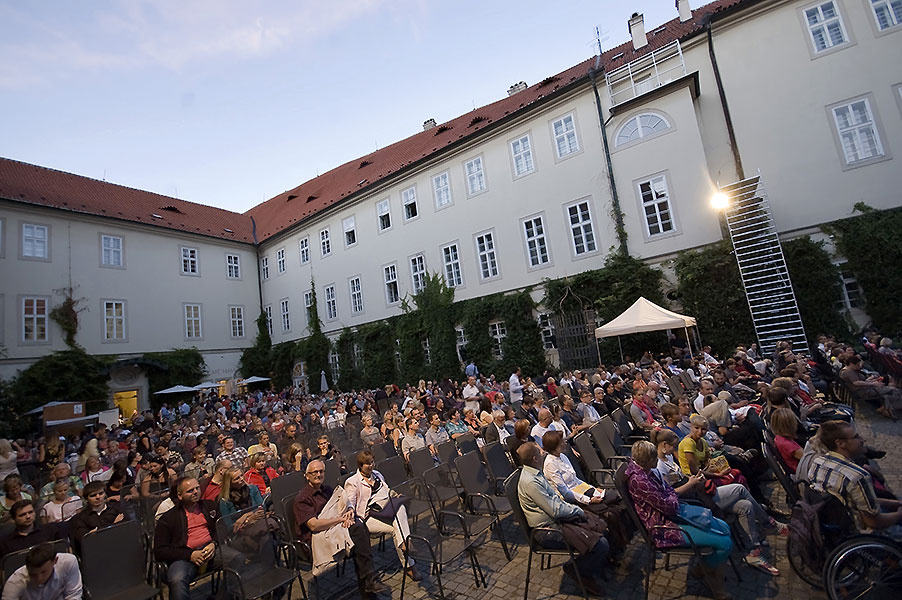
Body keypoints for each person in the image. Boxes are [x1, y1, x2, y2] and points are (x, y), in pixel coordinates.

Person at [625, 440, 732, 600]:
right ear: (647, 461)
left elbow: (668, 492)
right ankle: (713, 582)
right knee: (725, 543)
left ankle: (702, 569)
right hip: (664, 527)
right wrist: (674, 494)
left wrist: (671, 494)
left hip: (674, 514)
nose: (658, 461)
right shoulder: (640, 481)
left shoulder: (648, 471)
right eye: (655, 459)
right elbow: (668, 506)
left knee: (725, 527)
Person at [516, 442, 609, 597]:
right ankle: (577, 570)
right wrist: (578, 510)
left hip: (557, 520)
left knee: (600, 525)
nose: (543, 454)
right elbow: (555, 509)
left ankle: (595, 566)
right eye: (540, 453)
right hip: (546, 531)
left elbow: (556, 502)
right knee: (600, 544)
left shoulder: (534, 472)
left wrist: (576, 509)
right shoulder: (531, 481)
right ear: (534, 459)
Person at [293, 460, 389, 594]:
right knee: (358, 534)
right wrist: (340, 519)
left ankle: (369, 582)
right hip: (316, 540)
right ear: (307, 475)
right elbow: (314, 525)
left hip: (334, 529)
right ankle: (369, 583)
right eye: (314, 472)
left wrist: (349, 511)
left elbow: (341, 505)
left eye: (321, 471)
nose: (318, 474)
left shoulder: (326, 490)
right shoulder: (302, 498)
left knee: (358, 532)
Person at [807, 421, 902, 539]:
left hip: (832, 526)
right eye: (856, 437)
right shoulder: (858, 476)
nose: (862, 440)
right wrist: (899, 514)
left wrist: (896, 503)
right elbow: (874, 522)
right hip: (858, 533)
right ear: (841, 443)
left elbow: (858, 501)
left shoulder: (818, 463)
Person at [154, 477, 243, 600]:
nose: (196, 492)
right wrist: (190, 554)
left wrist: (214, 543)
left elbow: (221, 529)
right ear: (179, 496)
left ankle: (223, 597)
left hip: (210, 550)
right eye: (190, 491)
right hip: (184, 556)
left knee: (237, 558)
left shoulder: (210, 506)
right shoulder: (168, 518)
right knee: (177, 579)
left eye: (197, 488)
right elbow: (160, 551)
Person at [344, 450, 421, 581]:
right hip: (368, 516)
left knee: (400, 507)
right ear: (360, 465)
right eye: (367, 464)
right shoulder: (353, 481)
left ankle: (405, 548)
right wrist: (350, 508)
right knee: (397, 529)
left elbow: (387, 490)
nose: (371, 466)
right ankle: (409, 564)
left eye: (372, 462)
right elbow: (350, 500)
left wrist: (395, 494)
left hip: (385, 510)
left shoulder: (377, 475)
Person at [1, 542, 81, 600]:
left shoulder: (68, 562)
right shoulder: (15, 582)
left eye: (43, 572)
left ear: (55, 561)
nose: (39, 578)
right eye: (33, 574)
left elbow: (73, 595)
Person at [68, 481, 127, 554]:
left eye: (101, 493)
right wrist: (114, 525)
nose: (98, 497)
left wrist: (97, 532)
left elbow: (127, 531)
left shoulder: (117, 509)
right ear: (87, 498)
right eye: (93, 495)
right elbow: (86, 540)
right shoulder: (79, 518)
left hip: (120, 547)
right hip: (97, 553)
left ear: (105, 494)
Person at [0, 501, 65, 559]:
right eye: (22, 515)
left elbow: (63, 552)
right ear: (14, 519)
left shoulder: (50, 530)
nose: (28, 516)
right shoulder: (6, 543)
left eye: (30, 512)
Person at [769, 407, 803, 474]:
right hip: (803, 471)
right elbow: (810, 459)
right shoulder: (787, 445)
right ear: (790, 425)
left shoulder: (779, 438)